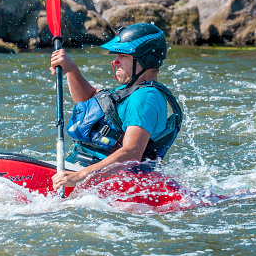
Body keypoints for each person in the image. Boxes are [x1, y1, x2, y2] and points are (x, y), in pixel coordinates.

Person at [49, 23, 183, 190]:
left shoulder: (145, 97)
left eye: (123, 55)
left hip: (109, 179)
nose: (116, 61)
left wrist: (80, 177)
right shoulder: (132, 90)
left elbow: (132, 153)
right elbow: (89, 99)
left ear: (147, 59)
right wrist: (71, 70)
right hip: (88, 166)